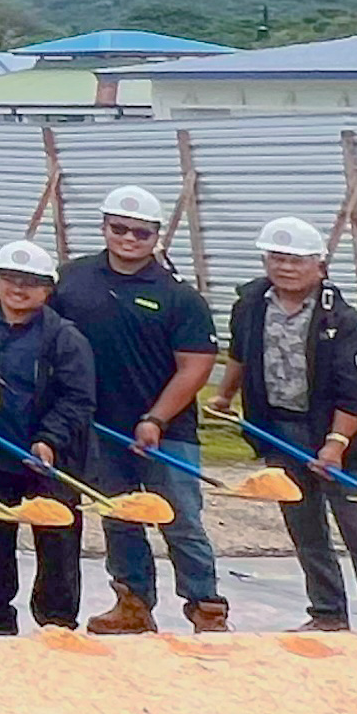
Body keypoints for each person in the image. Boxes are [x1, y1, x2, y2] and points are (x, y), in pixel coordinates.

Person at [52, 186, 225, 634]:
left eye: (141, 232)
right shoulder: (71, 280)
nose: (129, 238)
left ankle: (206, 607)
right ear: (104, 227)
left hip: (167, 431)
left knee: (180, 520)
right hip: (99, 428)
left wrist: (156, 419)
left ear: (156, 235)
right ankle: (132, 603)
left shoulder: (179, 296)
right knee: (121, 517)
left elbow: (195, 366)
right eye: (120, 228)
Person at [218, 217, 357, 635]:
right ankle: (327, 613)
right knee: (305, 528)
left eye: (296, 260)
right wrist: (224, 396)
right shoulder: (250, 305)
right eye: (276, 258)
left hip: (334, 438)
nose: (285, 267)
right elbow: (239, 353)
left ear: (320, 264)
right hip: (278, 432)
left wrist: (335, 446)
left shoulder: (348, 324)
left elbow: (355, 394)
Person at [0, 240, 94, 633]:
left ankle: (57, 621)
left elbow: (79, 399)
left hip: (48, 459)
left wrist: (49, 439)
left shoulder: (65, 338)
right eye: (10, 278)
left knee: (56, 541)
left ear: (47, 289)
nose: (18, 288)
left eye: (30, 282)